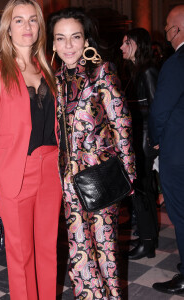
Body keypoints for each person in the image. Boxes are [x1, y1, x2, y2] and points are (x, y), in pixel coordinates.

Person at [48, 7, 136, 299]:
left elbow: (121, 122)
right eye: (61, 39)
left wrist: (129, 175)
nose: (68, 45)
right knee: (79, 251)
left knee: (105, 250)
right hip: (69, 179)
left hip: (101, 174)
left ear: (86, 40)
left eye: (75, 37)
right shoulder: (55, 79)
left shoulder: (101, 71)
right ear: (53, 43)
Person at [0, 1, 62, 299]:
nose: (27, 27)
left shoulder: (48, 67)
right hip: (16, 172)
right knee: (21, 255)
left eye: (33, 21)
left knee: (48, 250)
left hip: (51, 169)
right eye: (19, 21)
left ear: (39, 27)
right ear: (8, 29)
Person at [149, 5, 184, 295]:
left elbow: (160, 111)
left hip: (179, 154)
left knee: (181, 214)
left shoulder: (176, 62)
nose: (167, 35)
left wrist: (155, 139)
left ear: (177, 30)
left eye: (168, 29)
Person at [120, 28, 159, 259]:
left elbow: (155, 109)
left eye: (126, 43)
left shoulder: (147, 71)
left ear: (137, 44)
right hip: (138, 137)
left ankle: (147, 243)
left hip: (144, 140)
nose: (122, 47)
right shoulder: (135, 71)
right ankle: (148, 238)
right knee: (142, 191)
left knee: (142, 191)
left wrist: (154, 141)